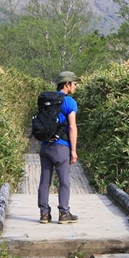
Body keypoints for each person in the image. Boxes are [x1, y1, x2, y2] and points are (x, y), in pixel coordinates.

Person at [38, 71, 80, 224]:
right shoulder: (69, 102)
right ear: (67, 84)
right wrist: (73, 150)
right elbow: (72, 127)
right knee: (64, 181)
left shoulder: (46, 100)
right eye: (74, 83)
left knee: (44, 181)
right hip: (61, 147)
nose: (76, 86)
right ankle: (64, 213)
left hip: (45, 146)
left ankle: (44, 214)